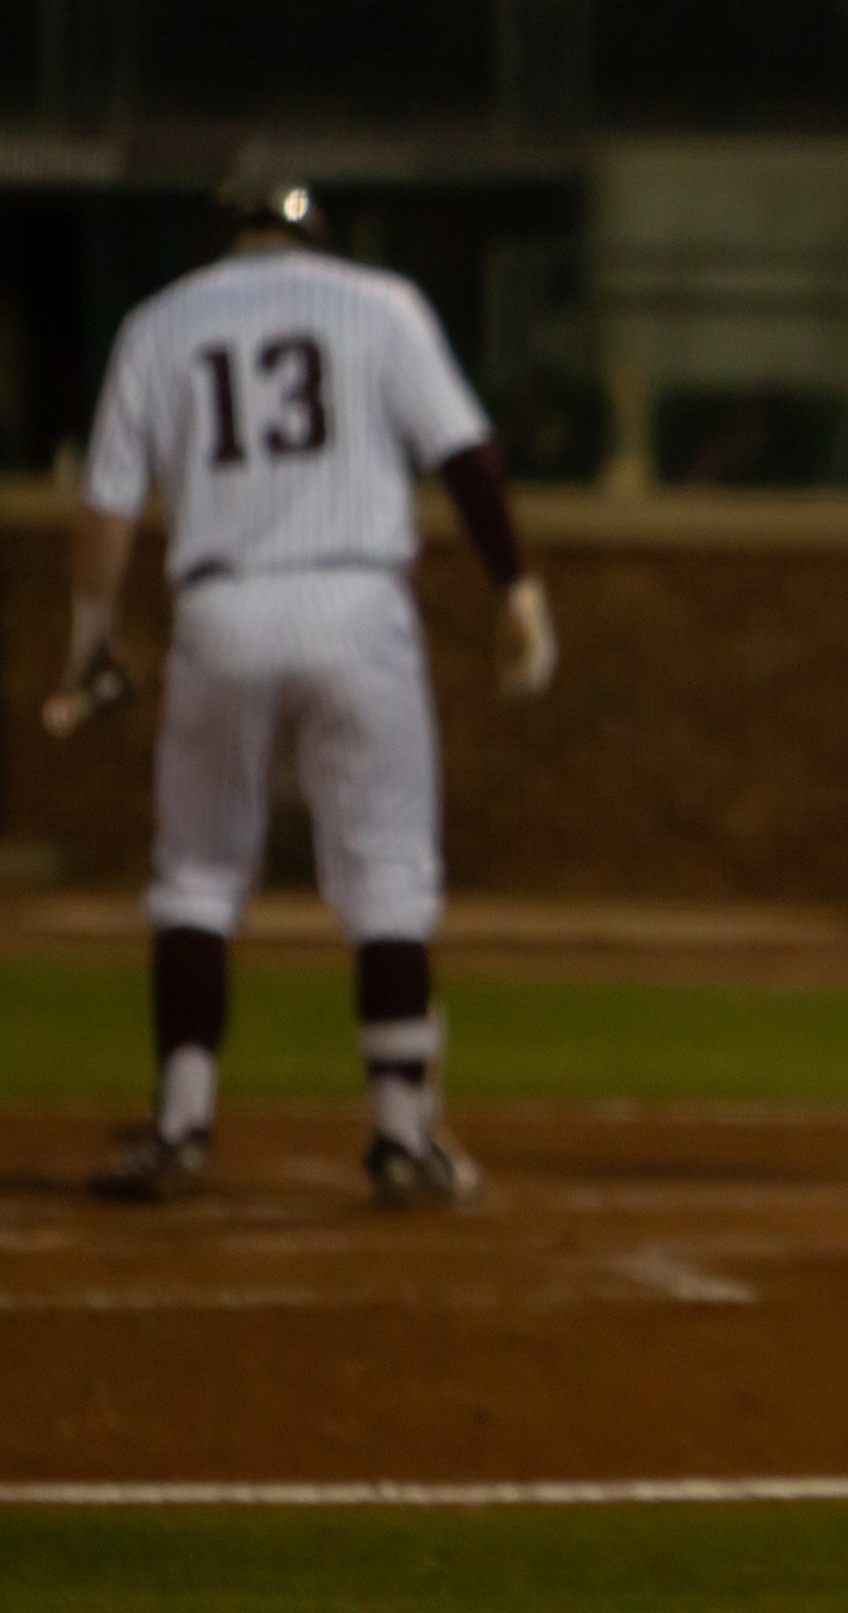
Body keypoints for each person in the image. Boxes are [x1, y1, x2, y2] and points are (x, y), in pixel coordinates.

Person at [46, 179, 557, 1208]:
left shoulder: (160, 322)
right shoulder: (382, 303)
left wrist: (89, 646)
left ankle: (184, 1122)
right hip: (358, 605)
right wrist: (517, 584)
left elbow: (106, 509)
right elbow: (466, 455)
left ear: (217, 242)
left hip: (220, 607)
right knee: (388, 878)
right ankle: (402, 1135)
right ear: (313, 237)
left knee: (195, 875)